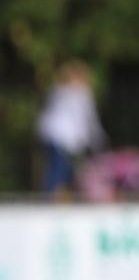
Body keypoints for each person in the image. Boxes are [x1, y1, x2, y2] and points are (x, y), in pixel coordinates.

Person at [36, 60, 106, 199]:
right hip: (61, 137)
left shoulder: (59, 90)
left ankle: (56, 195)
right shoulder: (80, 93)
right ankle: (50, 197)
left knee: (60, 167)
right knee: (60, 167)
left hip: (51, 135)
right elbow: (88, 119)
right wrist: (98, 139)